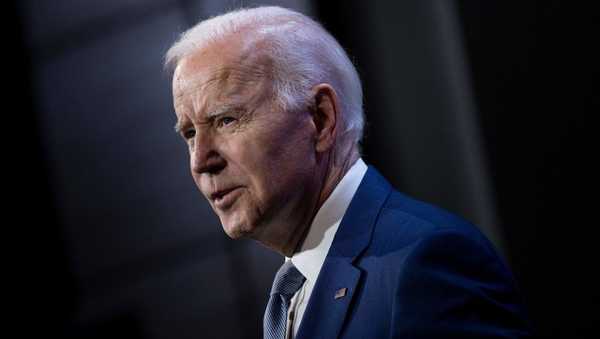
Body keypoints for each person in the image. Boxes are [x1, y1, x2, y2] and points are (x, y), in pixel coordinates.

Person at [165, 6, 531, 339]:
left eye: (226, 120)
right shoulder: (291, 297)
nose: (200, 161)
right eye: (190, 134)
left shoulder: (425, 262)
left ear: (321, 120)